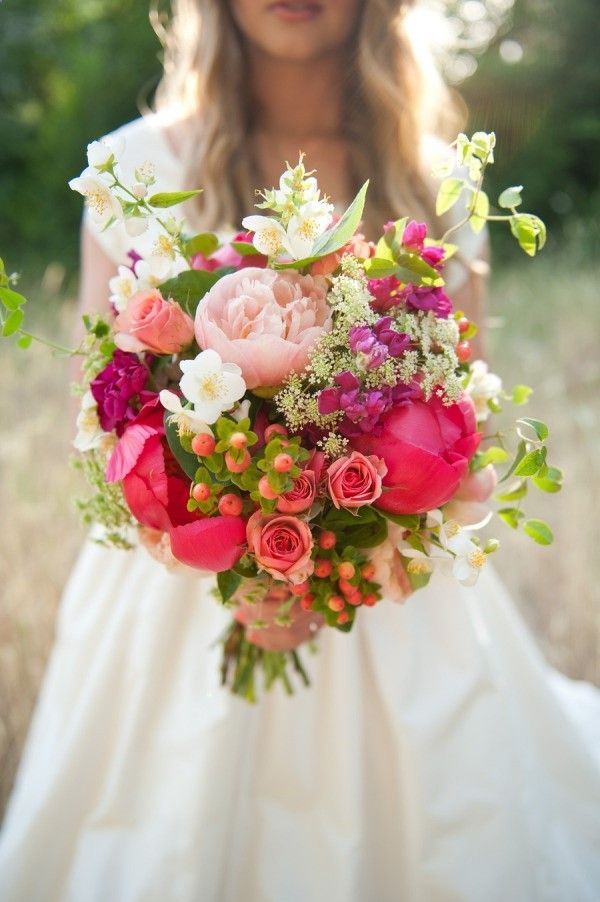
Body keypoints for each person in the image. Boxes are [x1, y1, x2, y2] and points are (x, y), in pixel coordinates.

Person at [1, 2, 599, 900]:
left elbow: (456, 423)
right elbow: (111, 406)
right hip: (175, 590)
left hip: (380, 587)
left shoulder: (434, 184)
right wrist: (239, 564)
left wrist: (337, 544)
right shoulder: (132, 170)